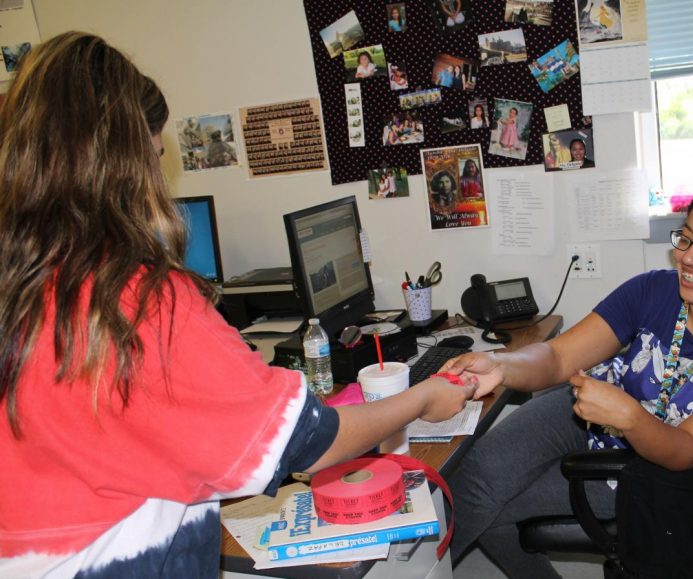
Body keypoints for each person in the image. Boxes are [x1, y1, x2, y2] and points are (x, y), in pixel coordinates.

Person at [0, 32, 474, 578]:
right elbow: (306, 443)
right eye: (154, 158)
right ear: (123, 164)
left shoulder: (25, 289)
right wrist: (421, 399)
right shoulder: (138, 301)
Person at [441, 183, 693, 578]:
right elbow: (559, 355)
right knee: (474, 479)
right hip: (594, 407)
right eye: (685, 238)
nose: (688, 258)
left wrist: (629, 418)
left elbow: (689, 449)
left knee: (492, 506)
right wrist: (503, 366)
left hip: (653, 467)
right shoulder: (653, 289)